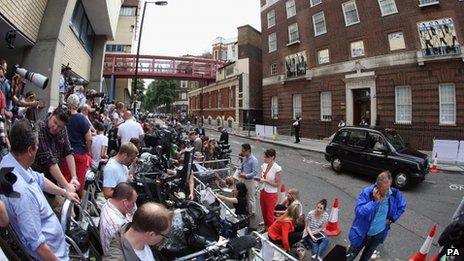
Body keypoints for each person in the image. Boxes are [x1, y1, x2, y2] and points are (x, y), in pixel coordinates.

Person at [0, 120, 79, 260]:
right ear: (30, 150)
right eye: (37, 146)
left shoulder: (9, 162)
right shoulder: (23, 194)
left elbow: (40, 179)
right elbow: (38, 246)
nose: (38, 149)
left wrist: (65, 192)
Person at [346, 171, 407, 261]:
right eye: (384, 189)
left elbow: (402, 206)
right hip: (361, 234)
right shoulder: (367, 192)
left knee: (365, 258)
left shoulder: (394, 194)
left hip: (378, 235)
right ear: (377, 186)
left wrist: (392, 219)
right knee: (349, 257)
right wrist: (374, 202)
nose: (386, 192)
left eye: (388, 188)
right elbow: (359, 212)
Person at [33, 106, 80, 203]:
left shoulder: (63, 129)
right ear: (51, 115)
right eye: (55, 122)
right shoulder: (40, 127)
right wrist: (67, 186)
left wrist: (74, 177)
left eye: (60, 126)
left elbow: (68, 151)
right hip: (38, 176)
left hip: (53, 176)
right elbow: (49, 161)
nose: (55, 128)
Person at [103, 202, 173, 261]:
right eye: (164, 235)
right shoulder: (117, 258)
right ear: (151, 235)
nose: (163, 239)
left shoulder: (143, 236)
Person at [61, 94, 92, 194]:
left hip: (65, 155)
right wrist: (88, 150)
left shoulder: (63, 118)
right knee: (79, 183)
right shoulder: (82, 119)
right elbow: (89, 139)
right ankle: (76, 205)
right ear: (78, 105)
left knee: (66, 182)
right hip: (80, 154)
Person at [100, 182, 138, 254]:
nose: (134, 205)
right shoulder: (117, 224)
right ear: (125, 203)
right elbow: (130, 249)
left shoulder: (110, 202)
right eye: (133, 203)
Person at [257, 148, 282, 228]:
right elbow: (262, 177)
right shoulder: (264, 165)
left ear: (272, 157)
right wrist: (260, 180)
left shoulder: (277, 168)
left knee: (269, 213)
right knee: (263, 210)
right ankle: (265, 224)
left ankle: (270, 230)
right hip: (263, 190)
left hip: (271, 194)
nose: (264, 159)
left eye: (266, 157)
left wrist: (265, 180)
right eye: (264, 157)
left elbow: (277, 184)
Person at [238, 143, 259, 214]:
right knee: (244, 195)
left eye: (243, 151)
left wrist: (246, 175)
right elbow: (242, 166)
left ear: (248, 151)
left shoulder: (254, 160)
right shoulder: (245, 158)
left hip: (250, 181)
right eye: (242, 151)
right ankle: (247, 209)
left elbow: (255, 172)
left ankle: (251, 212)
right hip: (243, 179)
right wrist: (240, 170)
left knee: (251, 197)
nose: (242, 152)